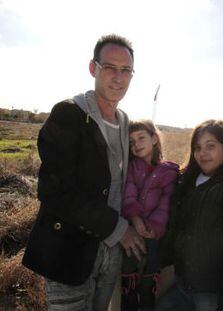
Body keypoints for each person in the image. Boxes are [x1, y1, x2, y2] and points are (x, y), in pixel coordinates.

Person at [22, 34, 146, 310]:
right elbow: (55, 192)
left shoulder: (127, 123)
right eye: (109, 68)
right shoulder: (69, 114)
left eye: (125, 70)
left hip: (109, 259)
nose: (118, 77)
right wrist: (118, 228)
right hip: (68, 253)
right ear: (93, 68)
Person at [156, 120, 223, 311]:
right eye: (197, 148)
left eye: (210, 146)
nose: (202, 153)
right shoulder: (185, 182)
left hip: (213, 295)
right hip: (181, 284)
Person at [121, 120, 179, 311]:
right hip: (132, 228)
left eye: (141, 138)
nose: (136, 144)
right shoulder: (131, 167)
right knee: (129, 270)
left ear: (154, 139)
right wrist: (136, 220)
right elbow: (128, 194)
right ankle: (129, 303)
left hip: (154, 233)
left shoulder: (168, 172)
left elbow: (165, 203)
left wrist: (153, 228)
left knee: (151, 271)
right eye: (131, 141)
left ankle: (147, 300)